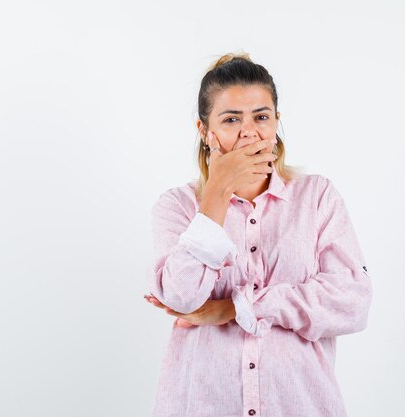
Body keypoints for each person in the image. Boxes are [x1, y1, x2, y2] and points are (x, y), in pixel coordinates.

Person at [143, 52, 373, 417]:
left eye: (261, 117)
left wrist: (236, 308)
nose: (249, 132)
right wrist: (217, 192)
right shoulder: (177, 207)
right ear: (205, 131)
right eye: (231, 119)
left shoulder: (316, 197)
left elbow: (351, 303)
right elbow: (181, 297)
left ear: (276, 122)